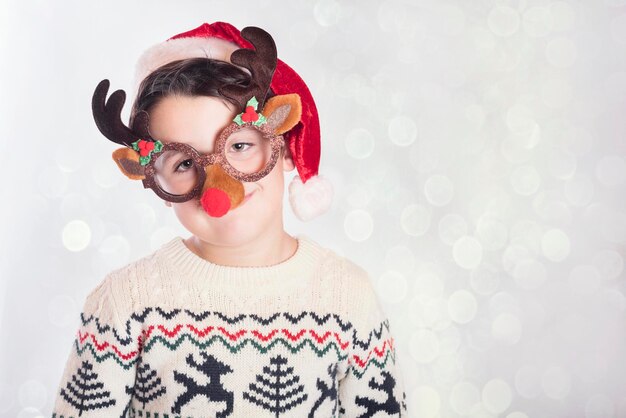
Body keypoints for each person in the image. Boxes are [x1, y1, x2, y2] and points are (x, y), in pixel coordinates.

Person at [52, 21, 408, 417]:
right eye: (185, 162)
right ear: (152, 178)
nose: (217, 186)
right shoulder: (124, 302)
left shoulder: (347, 297)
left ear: (286, 147)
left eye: (239, 145)